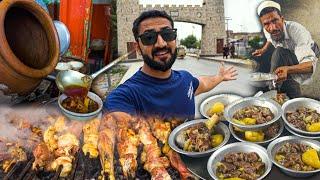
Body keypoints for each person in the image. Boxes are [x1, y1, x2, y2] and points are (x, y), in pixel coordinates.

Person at [103, 10, 238, 121]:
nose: (161, 44)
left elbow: (203, 83)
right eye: (149, 37)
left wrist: (219, 77)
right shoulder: (124, 96)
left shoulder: (185, 79)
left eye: (167, 34)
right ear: (137, 47)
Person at [252, 0, 319, 98]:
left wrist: (288, 69)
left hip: (310, 50)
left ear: (282, 19)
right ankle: (275, 88)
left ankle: (290, 96)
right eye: (267, 24)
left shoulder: (297, 31)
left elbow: (310, 66)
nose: (273, 28)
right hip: (288, 50)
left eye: (275, 20)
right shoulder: (267, 29)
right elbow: (269, 39)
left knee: (280, 56)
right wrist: (263, 49)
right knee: (280, 56)